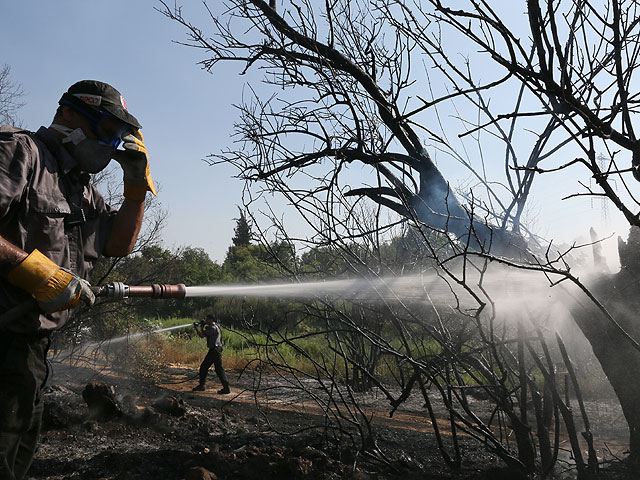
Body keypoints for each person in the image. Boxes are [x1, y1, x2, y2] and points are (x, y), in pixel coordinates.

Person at [0, 80, 156, 480]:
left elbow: (118, 243)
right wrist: (35, 271)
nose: (110, 143)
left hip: (30, 352)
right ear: (69, 113)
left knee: (17, 459)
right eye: (106, 130)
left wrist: (136, 189)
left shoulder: (81, 190)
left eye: (119, 136)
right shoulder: (19, 152)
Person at [192, 314, 231, 394]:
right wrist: (202, 327)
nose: (206, 321)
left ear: (211, 320)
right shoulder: (214, 326)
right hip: (216, 350)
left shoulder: (212, 328)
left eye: (207, 320)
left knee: (204, 367)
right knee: (218, 369)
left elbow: (202, 335)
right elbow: (204, 333)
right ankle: (226, 387)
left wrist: (196, 328)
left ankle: (202, 386)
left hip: (214, 350)